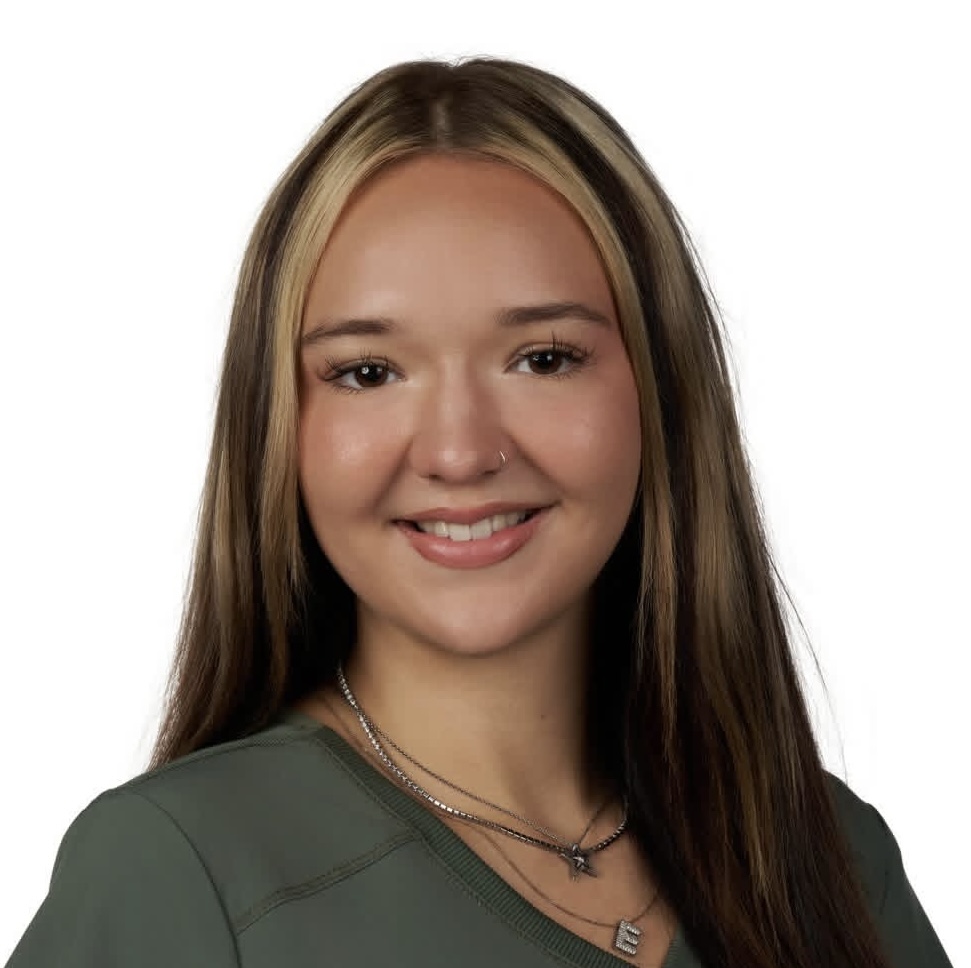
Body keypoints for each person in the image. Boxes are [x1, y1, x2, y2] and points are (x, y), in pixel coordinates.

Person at [5, 58, 952, 968]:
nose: (459, 452)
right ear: (277, 427)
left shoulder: (828, 860)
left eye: (543, 359)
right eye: (367, 372)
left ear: (659, 390)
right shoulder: (176, 874)